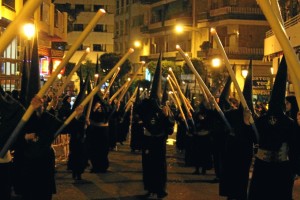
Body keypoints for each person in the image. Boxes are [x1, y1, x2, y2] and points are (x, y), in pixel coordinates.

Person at [248, 56, 300, 200]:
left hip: (274, 167)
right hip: (276, 168)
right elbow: (295, 146)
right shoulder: (288, 123)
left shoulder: (262, 120)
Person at [12, 95, 83, 200]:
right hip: (28, 159)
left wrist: (76, 116)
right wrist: (25, 137)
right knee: (29, 191)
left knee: (44, 191)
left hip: (45, 159)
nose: (38, 103)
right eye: (35, 101)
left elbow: (64, 127)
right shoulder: (23, 118)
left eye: (40, 101)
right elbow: (13, 138)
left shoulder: (48, 118)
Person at [137, 98, 175, 199]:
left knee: (159, 166)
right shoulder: (146, 110)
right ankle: (150, 189)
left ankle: (160, 189)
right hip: (148, 141)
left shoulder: (164, 111)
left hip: (159, 143)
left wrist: (166, 116)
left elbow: (170, 128)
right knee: (148, 166)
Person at [85, 94, 112, 173]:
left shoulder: (105, 106)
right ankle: (96, 166)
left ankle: (103, 166)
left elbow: (109, 113)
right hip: (95, 130)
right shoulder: (91, 106)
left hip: (103, 130)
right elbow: (89, 115)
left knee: (103, 149)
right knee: (95, 149)